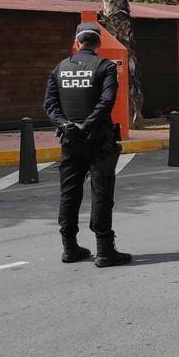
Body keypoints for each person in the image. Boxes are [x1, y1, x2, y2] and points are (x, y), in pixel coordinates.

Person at [44, 22, 130, 267]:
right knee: (101, 192)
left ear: (77, 41)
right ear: (99, 43)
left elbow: (50, 105)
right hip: (99, 140)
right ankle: (104, 250)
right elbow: (107, 101)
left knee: (69, 192)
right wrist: (88, 124)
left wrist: (65, 124)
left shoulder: (59, 68)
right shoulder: (105, 67)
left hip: (70, 140)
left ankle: (69, 247)